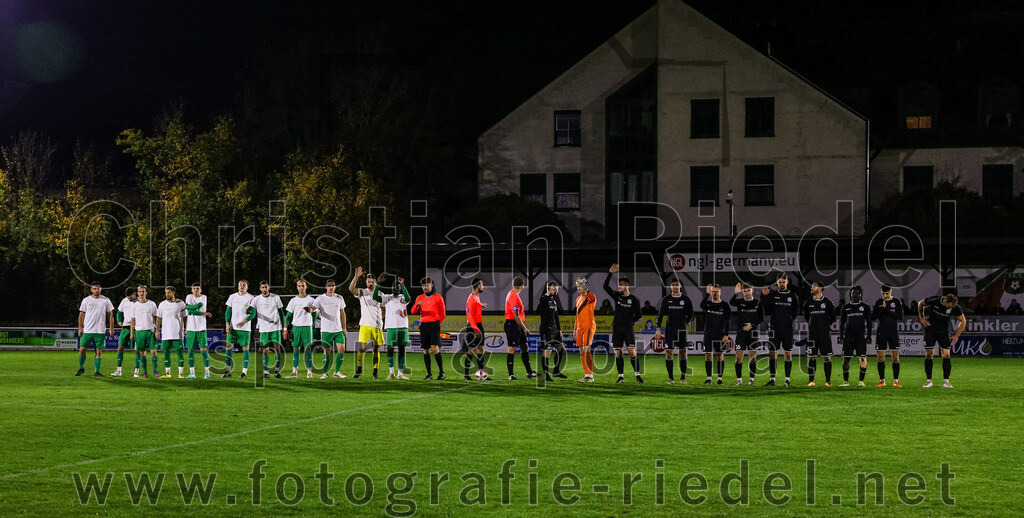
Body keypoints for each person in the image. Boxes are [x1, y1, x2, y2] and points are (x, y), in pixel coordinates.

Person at [605, 264, 644, 383]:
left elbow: (639, 315)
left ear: (627, 285)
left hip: (627, 328)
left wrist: (631, 321)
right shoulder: (617, 296)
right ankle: (620, 377)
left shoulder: (634, 299)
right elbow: (605, 286)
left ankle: (637, 375)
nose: (619, 286)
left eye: (621, 284)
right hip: (617, 328)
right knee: (618, 351)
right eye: (618, 284)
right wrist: (610, 273)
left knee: (631, 351)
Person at [918, 293, 966, 388]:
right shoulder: (936, 300)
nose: (951, 308)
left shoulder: (955, 307)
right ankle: (929, 381)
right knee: (929, 354)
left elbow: (963, 320)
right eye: (950, 306)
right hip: (930, 330)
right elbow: (920, 303)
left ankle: (946, 381)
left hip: (943, 332)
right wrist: (921, 318)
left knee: (946, 354)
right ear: (946, 302)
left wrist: (956, 335)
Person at [761, 273, 800, 386]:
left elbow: (796, 311)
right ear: (777, 282)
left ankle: (787, 379)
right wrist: (764, 296)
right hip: (775, 329)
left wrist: (788, 320)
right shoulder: (773, 295)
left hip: (787, 329)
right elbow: (764, 307)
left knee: (788, 354)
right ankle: (772, 379)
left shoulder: (792, 296)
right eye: (779, 282)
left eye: (783, 282)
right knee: (773, 353)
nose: (781, 284)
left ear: (787, 282)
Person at [373, 273, 413, 380]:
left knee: (402, 350)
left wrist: (403, 285)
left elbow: (408, 298)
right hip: (391, 327)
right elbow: (375, 297)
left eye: (397, 287)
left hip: (403, 327)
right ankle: (391, 372)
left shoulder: (403, 297)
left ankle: (400, 373)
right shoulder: (387, 298)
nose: (395, 289)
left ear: (400, 289)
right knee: (390, 349)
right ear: (391, 288)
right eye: (394, 287)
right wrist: (378, 284)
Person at [655, 278, 694, 384]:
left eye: (677, 284)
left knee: (683, 353)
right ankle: (671, 378)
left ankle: (683, 378)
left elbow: (691, 314)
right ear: (670, 287)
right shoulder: (666, 299)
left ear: (680, 286)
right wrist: (658, 329)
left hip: (681, 331)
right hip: (670, 330)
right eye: (673, 284)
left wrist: (685, 323)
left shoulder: (686, 299)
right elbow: (660, 315)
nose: (675, 286)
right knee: (669, 353)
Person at [349, 266, 384, 379]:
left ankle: (375, 372)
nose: (370, 283)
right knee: (361, 348)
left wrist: (378, 319)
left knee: (376, 349)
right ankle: (359, 370)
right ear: (366, 282)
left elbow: (384, 309)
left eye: (372, 282)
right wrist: (355, 277)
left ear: (375, 282)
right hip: (364, 324)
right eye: (369, 282)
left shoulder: (380, 294)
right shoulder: (362, 292)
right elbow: (351, 289)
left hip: (376, 326)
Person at [76, 281, 115, 377]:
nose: (96, 290)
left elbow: (111, 315)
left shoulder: (106, 300)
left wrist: (111, 329)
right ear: (91, 289)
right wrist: (80, 328)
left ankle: (97, 371)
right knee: (82, 349)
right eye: (94, 288)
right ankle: (81, 368)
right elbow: (81, 315)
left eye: (98, 288)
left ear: (100, 289)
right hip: (88, 330)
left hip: (100, 331)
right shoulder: (86, 300)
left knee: (99, 351)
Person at [247, 281, 286, 378]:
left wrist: (284, 327)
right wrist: (249, 310)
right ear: (260, 289)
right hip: (263, 328)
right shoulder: (256, 299)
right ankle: (266, 372)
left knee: (277, 349)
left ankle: (277, 371)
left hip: (275, 327)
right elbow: (249, 309)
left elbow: (281, 313)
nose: (264, 289)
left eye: (266, 287)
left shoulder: (276, 297)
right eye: (263, 287)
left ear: (269, 287)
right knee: (265, 350)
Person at [411, 277, 447, 380]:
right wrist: (416, 305)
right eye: (423, 286)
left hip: (434, 325)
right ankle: (429, 374)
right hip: (424, 325)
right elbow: (413, 312)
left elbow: (443, 314)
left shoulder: (438, 297)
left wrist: (436, 324)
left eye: (426, 285)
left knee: (435, 348)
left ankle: (441, 373)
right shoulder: (420, 298)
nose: (424, 288)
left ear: (431, 285)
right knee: (426, 350)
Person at [802, 281, 836, 387]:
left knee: (827, 357)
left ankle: (828, 381)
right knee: (812, 357)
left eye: (813, 286)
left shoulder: (828, 303)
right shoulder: (808, 303)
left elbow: (833, 317)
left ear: (820, 289)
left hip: (824, 335)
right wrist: (813, 326)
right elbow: (807, 316)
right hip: (812, 335)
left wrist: (824, 326)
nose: (811, 288)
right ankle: (811, 381)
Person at [313, 279, 348, 379]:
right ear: (326, 287)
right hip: (326, 330)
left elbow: (342, 313)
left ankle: (337, 372)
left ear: (335, 287)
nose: (331, 287)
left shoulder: (339, 298)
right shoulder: (320, 298)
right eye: (329, 285)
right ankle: (325, 373)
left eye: (333, 285)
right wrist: (310, 309)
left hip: (338, 329)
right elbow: (313, 308)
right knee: (327, 351)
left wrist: (344, 327)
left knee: (342, 349)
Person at [838, 286, 872, 387]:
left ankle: (861, 381)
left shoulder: (865, 307)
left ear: (861, 295)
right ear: (850, 294)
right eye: (853, 293)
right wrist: (841, 336)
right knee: (846, 359)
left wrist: (869, 336)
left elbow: (869, 323)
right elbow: (842, 323)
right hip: (848, 337)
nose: (855, 295)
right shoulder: (846, 307)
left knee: (862, 358)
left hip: (860, 337)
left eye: (857, 293)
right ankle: (845, 381)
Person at [502, 276, 535, 380]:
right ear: (522, 286)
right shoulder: (513, 296)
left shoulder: (513, 294)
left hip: (517, 324)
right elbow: (515, 315)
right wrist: (525, 328)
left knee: (524, 346)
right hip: (512, 324)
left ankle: (529, 372)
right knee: (512, 348)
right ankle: (510, 375)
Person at [729, 282, 761, 386]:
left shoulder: (757, 303)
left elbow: (761, 317)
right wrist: (735, 293)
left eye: (748, 290)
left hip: (753, 334)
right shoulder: (740, 302)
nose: (746, 293)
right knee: (738, 357)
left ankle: (751, 379)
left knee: (753, 357)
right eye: (744, 291)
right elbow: (731, 302)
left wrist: (752, 324)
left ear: (752, 290)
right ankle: (739, 379)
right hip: (741, 334)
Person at [284, 279, 317, 379]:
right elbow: (288, 316)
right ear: (297, 287)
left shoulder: (311, 300)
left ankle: (309, 372)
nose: (301, 288)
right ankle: (294, 372)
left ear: (306, 287)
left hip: (307, 327)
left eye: (303, 286)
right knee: (295, 350)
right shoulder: (293, 301)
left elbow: (314, 314)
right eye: (299, 286)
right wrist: (285, 329)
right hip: (296, 327)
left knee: (308, 350)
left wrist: (311, 324)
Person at [872, 284, 903, 387]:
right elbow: (873, 317)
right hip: (881, 332)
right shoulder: (878, 302)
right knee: (880, 356)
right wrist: (882, 309)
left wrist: (887, 309)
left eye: (887, 293)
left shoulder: (897, 302)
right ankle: (882, 381)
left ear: (891, 291)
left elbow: (900, 317)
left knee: (895, 356)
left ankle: (896, 381)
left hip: (893, 332)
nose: (885, 295)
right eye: (883, 293)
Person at [223, 280, 256, 378]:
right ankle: (228, 371)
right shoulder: (232, 297)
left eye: (244, 285)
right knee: (228, 347)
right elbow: (228, 311)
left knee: (245, 349)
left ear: (247, 287)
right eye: (240, 285)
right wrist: (227, 325)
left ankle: (244, 372)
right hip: (233, 328)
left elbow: (253, 314)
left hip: (245, 328)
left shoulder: (251, 298)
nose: (242, 286)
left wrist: (243, 322)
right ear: (237, 286)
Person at [700, 284, 731, 384]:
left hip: (720, 334)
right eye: (713, 291)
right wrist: (706, 294)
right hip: (708, 333)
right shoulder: (708, 304)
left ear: (720, 292)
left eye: (717, 291)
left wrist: (726, 334)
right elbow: (701, 305)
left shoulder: (725, 305)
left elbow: (728, 321)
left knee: (720, 355)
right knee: (708, 355)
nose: (715, 293)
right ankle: (709, 378)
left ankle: (719, 378)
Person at [537, 281, 567, 382]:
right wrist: (549, 293)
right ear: (551, 289)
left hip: (555, 330)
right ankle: (546, 375)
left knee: (561, 349)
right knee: (547, 352)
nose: (557, 291)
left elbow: (556, 316)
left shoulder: (554, 301)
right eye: (556, 289)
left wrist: (559, 329)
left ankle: (556, 371)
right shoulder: (543, 299)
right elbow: (541, 309)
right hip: (546, 330)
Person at [156, 286, 187, 378]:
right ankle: (167, 373)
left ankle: (180, 373)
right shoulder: (162, 304)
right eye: (166, 292)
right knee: (166, 352)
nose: (167, 294)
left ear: (173, 292)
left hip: (178, 333)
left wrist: (187, 329)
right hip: (166, 333)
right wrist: (157, 330)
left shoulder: (181, 303)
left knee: (179, 353)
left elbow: (185, 317)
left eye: (169, 292)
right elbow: (159, 318)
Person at [184, 282, 213, 379]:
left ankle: (207, 373)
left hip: (201, 328)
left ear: (201, 290)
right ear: (191, 290)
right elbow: (189, 311)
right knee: (190, 351)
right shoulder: (189, 297)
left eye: (198, 288)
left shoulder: (203, 297)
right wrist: (203, 313)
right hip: (190, 328)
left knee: (204, 351)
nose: (196, 290)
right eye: (194, 288)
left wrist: (188, 307)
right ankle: (192, 373)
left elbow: (196, 306)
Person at [461, 277, 488, 380]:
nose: (483, 287)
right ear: (478, 286)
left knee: (481, 349)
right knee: (471, 350)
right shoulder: (471, 298)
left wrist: (480, 305)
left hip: (478, 325)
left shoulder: (476, 297)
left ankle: (481, 374)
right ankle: (466, 375)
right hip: (473, 327)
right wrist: (475, 329)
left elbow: (474, 307)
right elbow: (469, 316)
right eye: (482, 285)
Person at [130, 285, 158, 378]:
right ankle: (145, 372)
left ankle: (155, 370)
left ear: (146, 292)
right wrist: (131, 333)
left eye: (143, 291)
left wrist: (157, 330)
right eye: (140, 291)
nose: (142, 293)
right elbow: (132, 320)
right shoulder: (134, 306)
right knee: (142, 353)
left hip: (150, 331)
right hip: (139, 332)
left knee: (153, 351)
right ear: (137, 293)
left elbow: (156, 318)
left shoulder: (152, 304)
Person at [574, 277, 598, 383]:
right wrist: (575, 329)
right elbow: (577, 315)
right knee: (581, 351)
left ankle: (590, 376)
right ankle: (587, 375)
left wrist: (586, 288)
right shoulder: (578, 299)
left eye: (580, 286)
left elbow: (591, 296)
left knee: (586, 350)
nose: (578, 288)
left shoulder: (591, 297)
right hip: (580, 328)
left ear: (584, 286)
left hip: (588, 326)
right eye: (577, 286)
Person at [111, 287, 137, 377]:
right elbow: (119, 312)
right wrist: (118, 320)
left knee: (137, 350)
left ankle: (136, 371)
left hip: (137, 328)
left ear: (135, 293)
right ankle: (119, 370)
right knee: (120, 347)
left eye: (130, 296)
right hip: (125, 327)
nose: (129, 298)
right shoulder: (124, 301)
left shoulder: (140, 302)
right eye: (128, 296)